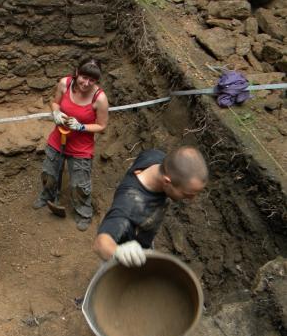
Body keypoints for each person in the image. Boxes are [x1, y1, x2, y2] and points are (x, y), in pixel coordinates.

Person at [93, 146, 208, 266]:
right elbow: (100, 244)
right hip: (125, 257)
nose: (192, 200)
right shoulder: (130, 205)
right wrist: (117, 252)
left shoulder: (155, 157)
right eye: (187, 194)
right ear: (167, 182)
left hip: (143, 239)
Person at [33, 57, 109, 231]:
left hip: (81, 147)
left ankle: (84, 212)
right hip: (58, 139)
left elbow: (102, 126)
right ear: (77, 73)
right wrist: (56, 112)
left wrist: (81, 126)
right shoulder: (64, 84)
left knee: (79, 185)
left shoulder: (100, 98)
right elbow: (54, 103)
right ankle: (47, 196)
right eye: (84, 77)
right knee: (49, 173)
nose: (86, 83)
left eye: (92, 80)